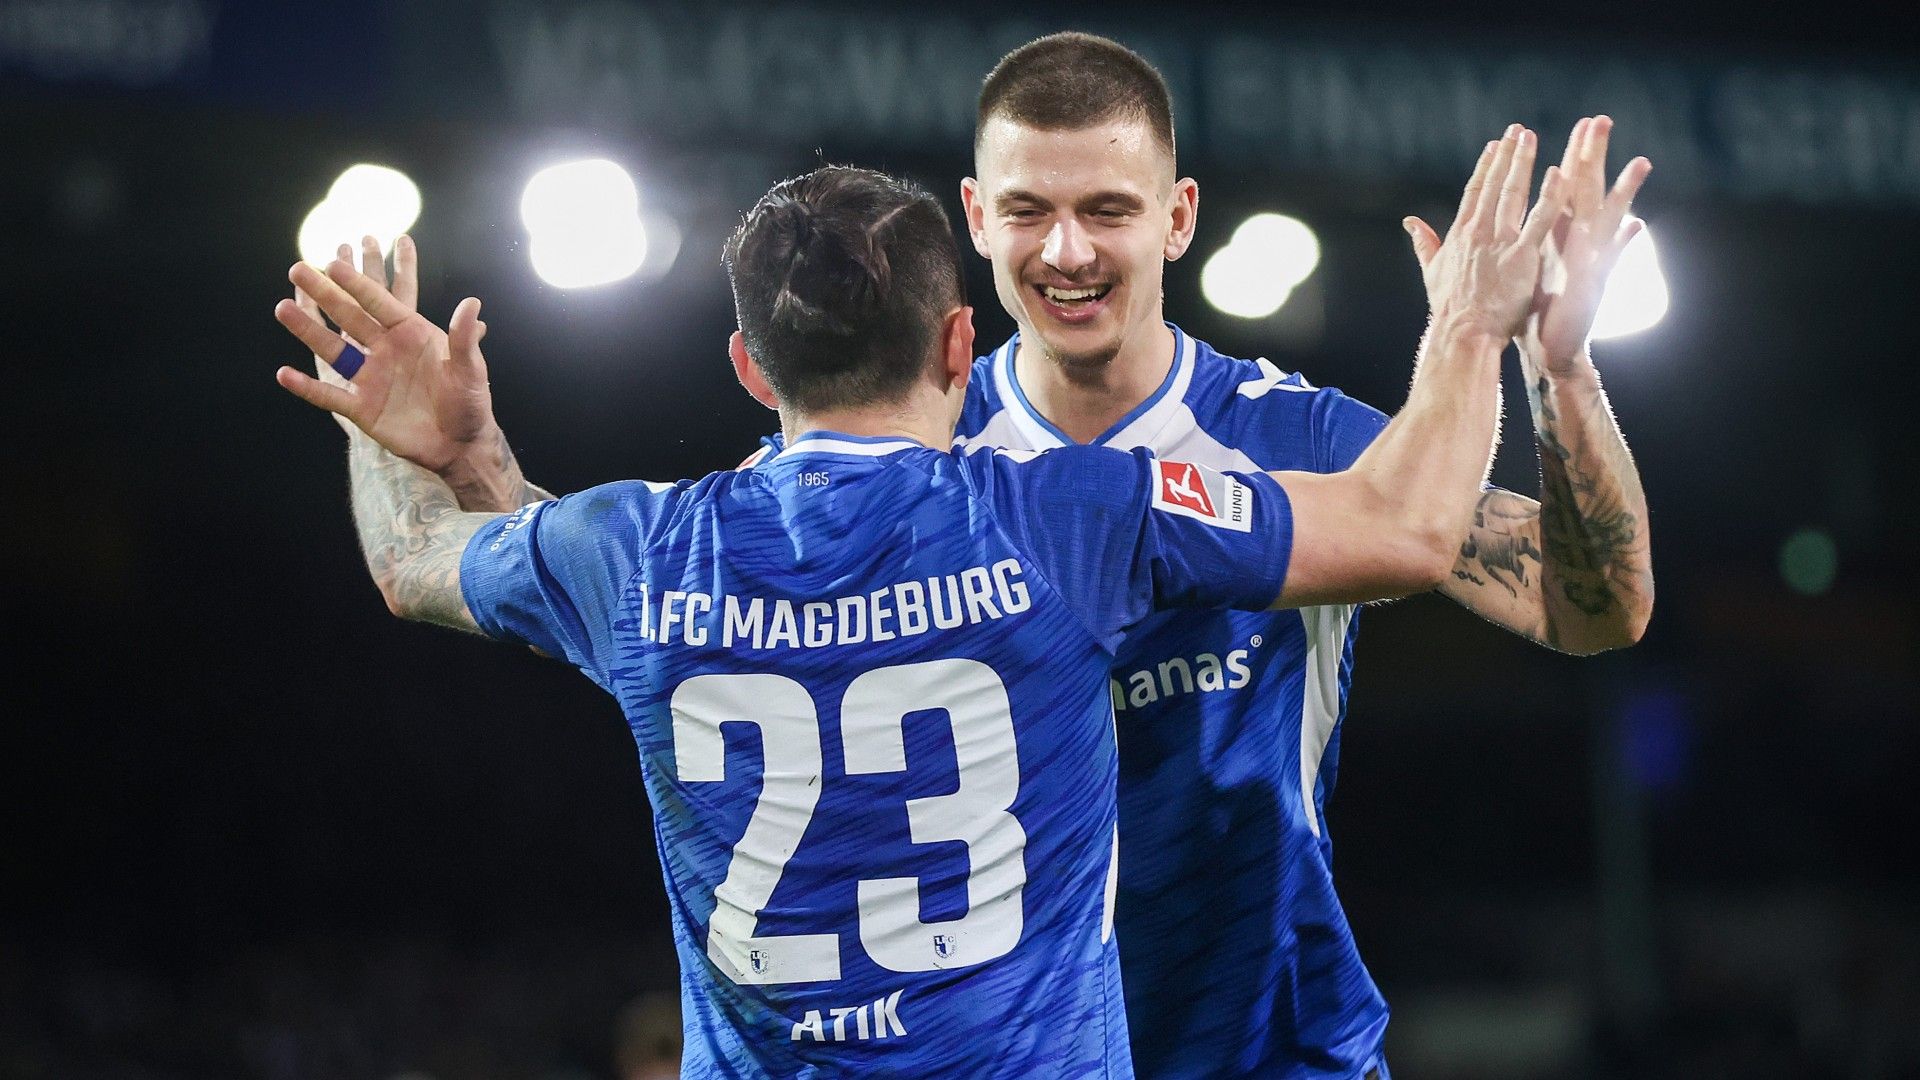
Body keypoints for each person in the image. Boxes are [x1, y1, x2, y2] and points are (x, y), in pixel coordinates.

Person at [276, 139, 1564, 1075]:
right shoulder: (1075, 514)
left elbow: (419, 561)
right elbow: (1408, 525)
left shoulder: (642, 552)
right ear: (959, 347)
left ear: (747, 367)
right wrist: (1469, 329)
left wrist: (411, 439)